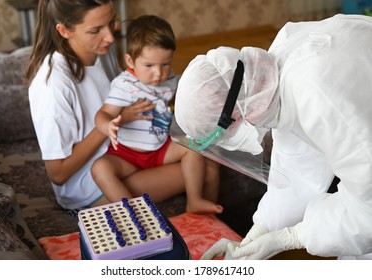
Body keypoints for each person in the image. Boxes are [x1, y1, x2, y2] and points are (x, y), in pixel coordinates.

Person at [174, 14, 372, 259]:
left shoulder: (318, 95)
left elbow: (368, 213)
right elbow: (298, 163)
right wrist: (262, 229)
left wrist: (292, 237)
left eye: (223, 135)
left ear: (235, 115)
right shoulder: (272, 80)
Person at [25, 0, 187, 210]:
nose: (110, 37)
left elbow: (129, 90)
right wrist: (116, 121)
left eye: (112, 22)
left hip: (123, 153)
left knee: (202, 156)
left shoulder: (102, 50)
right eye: (96, 30)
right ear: (64, 30)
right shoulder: (52, 84)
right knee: (201, 170)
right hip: (89, 183)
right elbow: (58, 173)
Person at [91, 15, 223, 214]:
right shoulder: (125, 85)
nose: (158, 73)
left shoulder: (169, 79)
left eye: (165, 64)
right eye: (149, 66)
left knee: (193, 145)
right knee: (100, 168)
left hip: (160, 149)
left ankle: (195, 200)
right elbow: (102, 114)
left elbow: (176, 98)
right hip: (127, 154)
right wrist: (108, 125)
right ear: (130, 61)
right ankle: (132, 212)